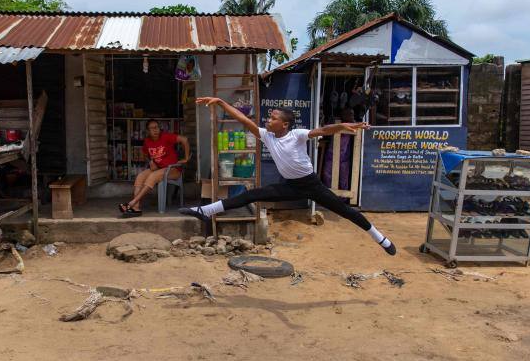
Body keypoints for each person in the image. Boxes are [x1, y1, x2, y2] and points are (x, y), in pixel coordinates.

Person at [179, 97, 396, 255]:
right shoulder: (267, 136)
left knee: (346, 211)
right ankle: (205, 211)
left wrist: (342, 126)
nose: (267, 120)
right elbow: (245, 121)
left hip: (312, 186)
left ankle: (380, 238)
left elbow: (323, 130)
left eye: (272, 118)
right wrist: (220, 102)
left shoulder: (296, 135)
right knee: (252, 195)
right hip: (290, 186)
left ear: (284, 124)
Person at [119, 119, 190, 217]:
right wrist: (151, 162)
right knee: (140, 176)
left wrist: (186, 158)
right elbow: (145, 154)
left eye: (156, 127)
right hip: (158, 169)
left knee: (152, 176)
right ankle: (136, 208)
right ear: (148, 131)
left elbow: (184, 140)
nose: (155, 130)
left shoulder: (166, 137)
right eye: (152, 128)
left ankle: (132, 202)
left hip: (173, 169)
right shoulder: (147, 141)